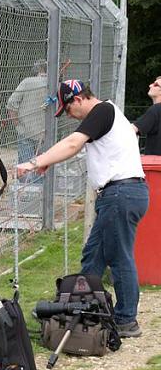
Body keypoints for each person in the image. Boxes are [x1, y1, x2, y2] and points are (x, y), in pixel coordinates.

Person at [18, 79, 149, 338]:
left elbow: (72, 144)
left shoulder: (101, 111)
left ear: (77, 99)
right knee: (93, 256)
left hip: (121, 193)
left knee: (119, 257)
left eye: (67, 109)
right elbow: (78, 147)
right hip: (120, 193)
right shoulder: (106, 115)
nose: (68, 115)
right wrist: (48, 162)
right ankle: (83, 309)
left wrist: (35, 162)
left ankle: (126, 320)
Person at [6, 61, 47, 182]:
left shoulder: (27, 82)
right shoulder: (55, 84)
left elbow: (11, 104)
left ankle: (27, 193)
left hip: (26, 131)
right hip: (45, 133)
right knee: (42, 167)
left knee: (26, 166)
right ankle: (40, 192)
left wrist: (17, 125)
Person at [132, 76, 161, 154]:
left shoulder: (156, 109)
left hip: (155, 163)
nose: (150, 85)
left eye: (156, 85)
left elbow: (132, 130)